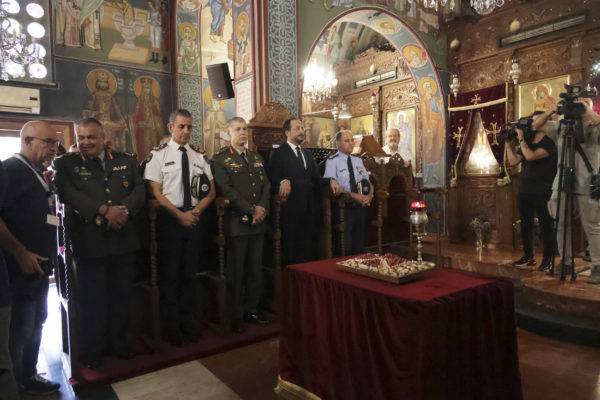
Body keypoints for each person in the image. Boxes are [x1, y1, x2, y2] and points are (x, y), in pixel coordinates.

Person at [53, 118, 145, 369]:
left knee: (121, 297)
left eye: (91, 137)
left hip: (123, 239)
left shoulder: (126, 161)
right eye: (81, 137)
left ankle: (119, 345)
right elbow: (68, 192)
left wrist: (123, 211)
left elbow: (139, 191)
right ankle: (93, 351)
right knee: (92, 300)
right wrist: (104, 210)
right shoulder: (67, 164)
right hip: (90, 243)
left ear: (103, 138)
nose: (85, 142)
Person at [144, 109, 215, 345]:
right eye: (181, 126)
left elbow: (211, 191)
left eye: (189, 127)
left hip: (194, 219)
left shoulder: (199, 156)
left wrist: (195, 212)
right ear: (171, 127)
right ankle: (172, 327)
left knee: (190, 274)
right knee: (171, 275)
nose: (185, 131)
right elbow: (156, 192)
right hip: (170, 221)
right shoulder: (158, 155)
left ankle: (188, 323)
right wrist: (179, 215)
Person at [0, 121, 61, 396]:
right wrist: (20, 252)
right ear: (27, 141)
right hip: (18, 269)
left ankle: (29, 375)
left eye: (55, 143)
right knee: (20, 329)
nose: (54, 148)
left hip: (39, 267)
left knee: (37, 322)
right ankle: (14, 385)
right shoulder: (10, 170)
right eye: (48, 142)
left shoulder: (36, 171)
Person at [212, 117, 270, 333]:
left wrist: (262, 208)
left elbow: (266, 185)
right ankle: (236, 314)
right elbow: (226, 189)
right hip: (238, 223)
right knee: (236, 271)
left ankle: (252, 310)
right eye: (238, 129)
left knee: (255, 270)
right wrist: (251, 210)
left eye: (245, 129)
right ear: (229, 133)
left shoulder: (255, 157)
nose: (243, 133)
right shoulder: (221, 159)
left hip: (258, 223)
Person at [536, 98, 600, 284]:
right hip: (562, 182)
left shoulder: (595, 127)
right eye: (576, 104)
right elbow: (536, 126)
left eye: (583, 103)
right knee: (560, 224)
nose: (578, 107)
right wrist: (551, 110)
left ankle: (598, 266)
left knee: (592, 225)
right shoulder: (561, 127)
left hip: (587, 183)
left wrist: (589, 112)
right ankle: (566, 262)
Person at [267, 119, 340, 267]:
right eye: (297, 128)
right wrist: (282, 181)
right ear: (287, 132)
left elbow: (316, 179)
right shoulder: (278, 152)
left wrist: (330, 180)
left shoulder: (307, 153)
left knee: (306, 249)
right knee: (290, 250)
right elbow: (271, 176)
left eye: (302, 128)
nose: (301, 131)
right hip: (288, 209)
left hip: (308, 208)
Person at [505, 111, 557, 271]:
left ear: (545, 123)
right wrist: (508, 143)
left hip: (543, 190)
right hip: (525, 189)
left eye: (535, 121)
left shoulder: (550, 142)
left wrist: (520, 138)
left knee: (546, 225)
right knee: (526, 225)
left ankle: (548, 259)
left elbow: (530, 156)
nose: (532, 125)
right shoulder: (528, 140)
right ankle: (528, 256)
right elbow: (513, 161)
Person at [324, 130, 373, 256]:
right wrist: (354, 196)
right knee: (345, 249)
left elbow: (367, 181)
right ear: (338, 144)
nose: (351, 143)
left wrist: (369, 196)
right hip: (343, 209)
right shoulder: (332, 161)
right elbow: (333, 188)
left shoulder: (358, 160)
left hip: (360, 207)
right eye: (347, 141)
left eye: (352, 140)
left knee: (358, 246)